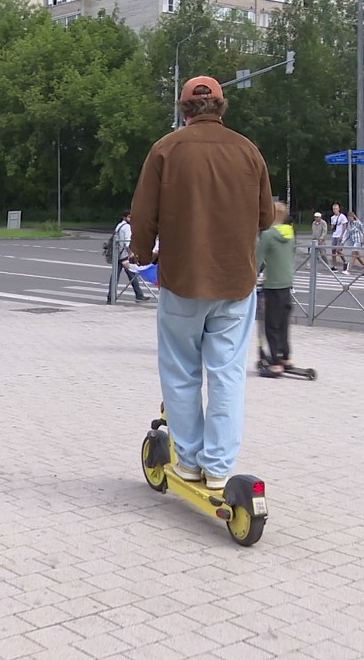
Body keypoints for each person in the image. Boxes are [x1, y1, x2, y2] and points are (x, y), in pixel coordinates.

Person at [130, 75, 275, 491]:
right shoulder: (248, 151)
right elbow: (265, 218)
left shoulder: (165, 150)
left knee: (180, 371)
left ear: (183, 108)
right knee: (227, 373)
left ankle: (189, 461)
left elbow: (143, 215)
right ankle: (219, 466)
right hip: (235, 281)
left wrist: (142, 255)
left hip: (182, 279)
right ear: (221, 106)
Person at [256, 202, 295, 377]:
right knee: (284, 322)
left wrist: (253, 275)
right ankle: (285, 356)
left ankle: (276, 362)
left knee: (271, 324)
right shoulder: (290, 233)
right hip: (287, 282)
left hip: (272, 284)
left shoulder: (268, 235)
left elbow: (257, 259)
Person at [106, 210, 151, 303]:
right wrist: (131, 254)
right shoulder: (126, 227)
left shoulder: (119, 225)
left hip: (117, 254)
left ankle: (112, 296)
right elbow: (127, 242)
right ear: (124, 217)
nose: (131, 219)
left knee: (125, 275)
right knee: (130, 274)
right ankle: (138, 295)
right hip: (124, 255)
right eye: (129, 217)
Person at [342, 211, 364, 276]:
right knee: (358, 256)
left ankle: (349, 270)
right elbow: (348, 234)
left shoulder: (358, 223)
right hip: (353, 241)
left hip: (358, 240)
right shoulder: (349, 224)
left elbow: (363, 231)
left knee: (353, 255)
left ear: (353, 217)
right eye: (348, 217)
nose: (349, 218)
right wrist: (343, 241)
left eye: (350, 217)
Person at [330, 203, 348, 271]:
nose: (335, 210)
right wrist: (332, 227)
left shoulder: (342, 216)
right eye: (334, 209)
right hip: (334, 234)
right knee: (333, 250)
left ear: (339, 209)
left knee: (338, 250)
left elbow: (344, 226)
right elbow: (332, 227)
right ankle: (334, 265)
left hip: (340, 235)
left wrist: (342, 235)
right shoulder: (332, 217)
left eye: (336, 209)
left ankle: (345, 261)